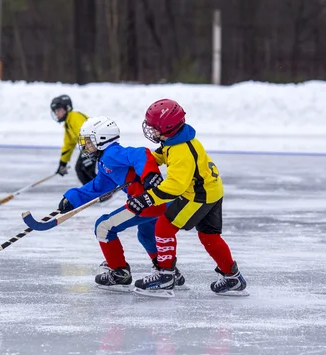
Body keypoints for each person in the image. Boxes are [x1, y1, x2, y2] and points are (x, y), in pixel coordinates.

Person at [126, 99, 248, 297]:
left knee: (164, 226)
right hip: (213, 191)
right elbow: (161, 157)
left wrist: (146, 199)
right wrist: (140, 163)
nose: (151, 131)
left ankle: (165, 276)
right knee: (209, 236)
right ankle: (232, 277)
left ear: (167, 127)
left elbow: (174, 187)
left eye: (154, 128)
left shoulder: (181, 150)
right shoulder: (176, 140)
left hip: (198, 196)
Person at [57, 116, 186, 290]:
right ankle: (166, 270)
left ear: (101, 139)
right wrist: (72, 198)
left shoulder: (112, 154)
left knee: (103, 226)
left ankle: (119, 272)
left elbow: (141, 153)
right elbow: (99, 186)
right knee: (146, 235)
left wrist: (149, 175)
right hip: (154, 203)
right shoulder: (105, 162)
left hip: (147, 202)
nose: (85, 146)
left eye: (88, 142)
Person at [50, 95, 96, 184]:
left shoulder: (74, 117)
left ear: (67, 108)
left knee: (84, 167)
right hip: (90, 146)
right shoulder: (68, 124)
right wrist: (62, 163)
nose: (57, 114)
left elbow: (86, 132)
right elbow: (68, 145)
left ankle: (100, 190)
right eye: (55, 111)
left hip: (94, 144)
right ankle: (93, 191)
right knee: (81, 168)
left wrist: (90, 151)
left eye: (59, 110)